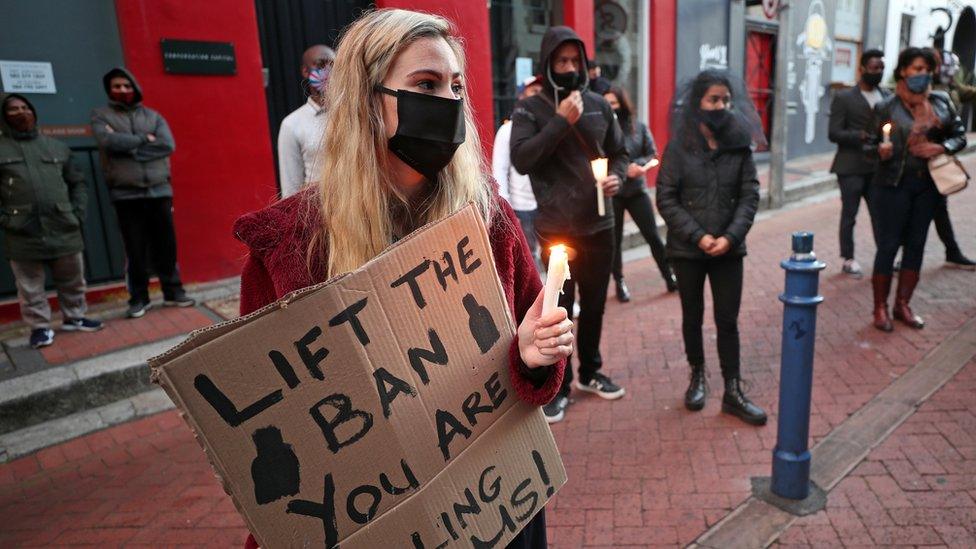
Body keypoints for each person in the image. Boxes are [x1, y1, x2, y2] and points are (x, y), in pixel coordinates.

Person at [232, 10, 571, 548]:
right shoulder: (290, 246)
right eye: (425, 84)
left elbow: (534, 374)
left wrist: (534, 354)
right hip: (372, 520)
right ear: (368, 100)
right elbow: (270, 425)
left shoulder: (489, 218)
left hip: (488, 506)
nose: (447, 100)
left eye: (456, 85)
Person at [510, 25, 628, 423]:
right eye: (561, 60)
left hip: (600, 225)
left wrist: (619, 177)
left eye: (575, 60)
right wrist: (560, 121)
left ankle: (591, 372)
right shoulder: (531, 108)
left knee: (594, 304)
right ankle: (558, 386)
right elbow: (522, 159)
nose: (569, 67)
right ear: (548, 63)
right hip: (557, 229)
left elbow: (620, 152)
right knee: (558, 310)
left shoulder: (599, 104)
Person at [656, 70, 767, 426]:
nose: (720, 106)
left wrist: (730, 237)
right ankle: (697, 376)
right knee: (693, 316)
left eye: (725, 100)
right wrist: (698, 236)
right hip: (688, 250)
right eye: (713, 100)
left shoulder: (739, 143)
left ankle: (733, 390)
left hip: (728, 251)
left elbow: (750, 194)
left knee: (727, 320)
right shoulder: (678, 145)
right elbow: (666, 197)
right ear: (698, 102)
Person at [870, 48, 967, 332]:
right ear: (903, 71)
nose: (921, 75)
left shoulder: (941, 102)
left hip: (927, 186)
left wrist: (942, 146)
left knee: (916, 246)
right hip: (892, 185)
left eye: (926, 69)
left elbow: (959, 135)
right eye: (915, 69)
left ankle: (903, 304)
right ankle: (879, 307)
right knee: (888, 247)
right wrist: (881, 150)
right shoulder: (885, 107)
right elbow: (866, 144)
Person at [91, 67, 195, 318]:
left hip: (159, 191)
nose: (123, 90)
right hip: (126, 194)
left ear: (134, 87)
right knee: (135, 248)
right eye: (117, 86)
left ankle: (173, 292)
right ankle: (139, 298)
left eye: (127, 85)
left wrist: (128, 146)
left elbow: (167, 144)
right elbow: (107, 143)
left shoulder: (153, 116)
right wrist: (144, 140)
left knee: (166, 245)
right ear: (109, 90)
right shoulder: (101, 115)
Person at [1, 94, 103, 348]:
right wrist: (6, 219)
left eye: (25, 108)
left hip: (63, 226)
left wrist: (76, 212)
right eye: (13, 109)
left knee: (72, 278)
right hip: (21, 231)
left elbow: (77, 183)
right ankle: (39, 328)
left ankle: (75, 316)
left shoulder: (56, 146)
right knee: (29, 285)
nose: (21, 112)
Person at [603, 85, 677, 301]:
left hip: (636, 191)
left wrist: (640, 167)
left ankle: (668, 275)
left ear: (622, 104)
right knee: (614, 243)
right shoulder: (602, 131)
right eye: (606, 104)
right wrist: (616, 170)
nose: (610, 108)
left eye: (614, 103)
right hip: (614, 193)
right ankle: (619, 283)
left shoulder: (639, 127)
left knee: (653, 235)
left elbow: (652, 154)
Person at [828, 49, 889, 278]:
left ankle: (884, 255)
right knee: (849, 214)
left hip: (876, 166)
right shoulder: (844, 98)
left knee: (880, 213)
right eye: (874, 68)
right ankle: (848, 258)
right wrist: (859, 135)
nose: (878, 72)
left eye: (882, 68)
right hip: (850, 166)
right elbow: (833, 133)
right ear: (862, 69)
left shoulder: (886, 96)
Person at [926, 48, 976, 271]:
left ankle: (952, 251)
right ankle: (901, 256)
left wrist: (945, 146)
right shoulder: (918, 94)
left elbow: (957, 133)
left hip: (939, 160)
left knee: (939, 208)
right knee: (912, 213)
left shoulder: (948, 92)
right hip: (917, 163)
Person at [493, 75, 543, 270]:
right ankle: (540, 300)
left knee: (556, 257)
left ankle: (561, 298)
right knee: (528, 259)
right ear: (522, 96)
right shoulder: (508, 130)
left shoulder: (548, 126)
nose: (538, 97)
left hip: (548, 205)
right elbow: (500, 169)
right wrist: (507, 210)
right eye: (533, 92)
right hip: (522, 206)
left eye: (541, 92)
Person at [277, 44, 336, 198]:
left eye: (333, 65)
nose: (328, 72)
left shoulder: (354, 114)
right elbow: (290, 191)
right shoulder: (292, 124)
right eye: (321, 65)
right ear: (305, 71)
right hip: (318, 215)